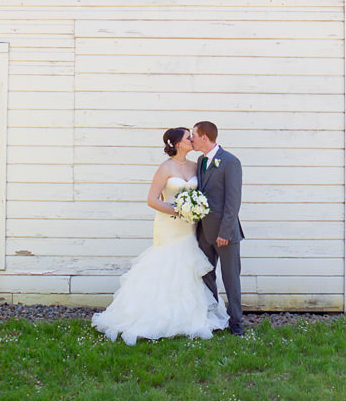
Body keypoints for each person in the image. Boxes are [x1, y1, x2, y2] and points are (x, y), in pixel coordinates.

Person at [91, 128, 228, 345]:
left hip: (189, 226)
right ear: (176, 144)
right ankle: (155, 315)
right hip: (168, 225)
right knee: (166, 263)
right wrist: (179, 211)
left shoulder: (196, 166)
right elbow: (152, 200)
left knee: (187, 265)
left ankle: (186, 316)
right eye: (187, 138)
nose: (192, 139)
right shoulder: (165, 168)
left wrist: (194, 210)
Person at [191, 120, 246, 336]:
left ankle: (236, 323)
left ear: (205, 137)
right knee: (207, 276)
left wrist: (225, 232)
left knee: (231, 278)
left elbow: (233, 201)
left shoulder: (230, 162)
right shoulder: (200, 161)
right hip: (204, 232)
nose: (191, 139)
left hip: (226, 234)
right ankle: (215, 316)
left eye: (194, 135)